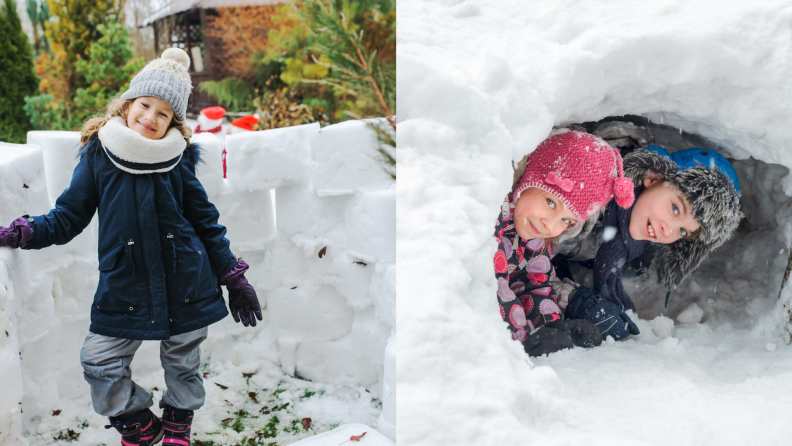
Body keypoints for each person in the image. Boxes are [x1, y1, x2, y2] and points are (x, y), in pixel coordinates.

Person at [0, 49, 262, 446]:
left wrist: (232, 275)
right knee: (99, 359)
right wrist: (23, 232)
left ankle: (178, 424)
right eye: (145, 105)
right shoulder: (97, 155)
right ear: (127, 104)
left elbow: (205, 221)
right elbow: (69, 216)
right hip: (126, 282)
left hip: (187, 280)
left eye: (164, 114)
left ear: (174, 123)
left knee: (183, 363)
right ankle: (136, 420)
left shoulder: (179, 160)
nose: (150, 118)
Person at [559, 133, 743, 342]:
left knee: (637, 265)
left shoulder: (633, 240)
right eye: (675, 209)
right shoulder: (587, 194)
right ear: (653, 177)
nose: (668, 231)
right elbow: (527, 250)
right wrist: (573, 298)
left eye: (683, 231)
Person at [494, 130, 636, 356]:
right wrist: (522, 337)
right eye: (551, 202)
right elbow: (492, 291)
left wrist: (552, 326)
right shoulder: (493, 215)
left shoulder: (536, 237)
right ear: (530, 177)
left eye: (566, 220)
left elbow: (534, 285)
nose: (549, 225)